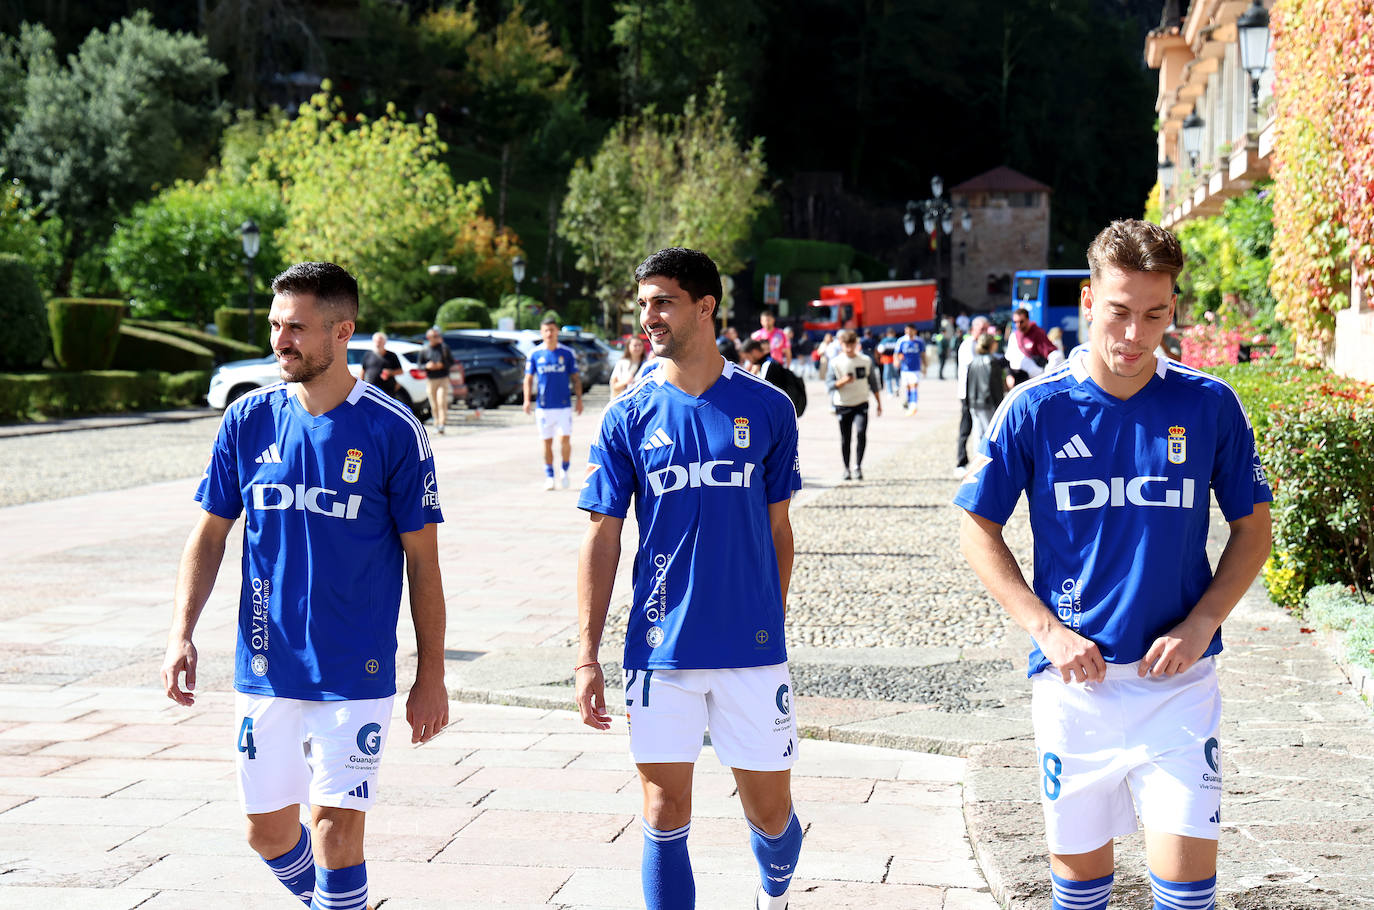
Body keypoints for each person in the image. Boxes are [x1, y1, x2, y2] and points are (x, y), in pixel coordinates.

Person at [954, 219, 1272, 910]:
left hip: (1179, 689)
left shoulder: (1209, 403)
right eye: (1120, 312)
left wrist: (1203, 623)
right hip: (1076, 694)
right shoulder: (1034, 407)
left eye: (1155, 315)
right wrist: (1046, 631)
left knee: (1189, 898)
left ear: (1172, 310)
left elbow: (1253, 529)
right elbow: (978, 529)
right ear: (1089, 303)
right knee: (1079, 897)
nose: (1134, 335)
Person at [160, 261, 449, 910]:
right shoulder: (248, 419)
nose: (278, 341)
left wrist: (432, 674)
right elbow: (209, 536)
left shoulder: (391, 428)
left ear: (342, 331)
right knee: (266, 833)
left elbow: (424, 564)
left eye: (295, 328)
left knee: (335, 834)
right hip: (265, 663)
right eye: (274, 325)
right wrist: (180, 634)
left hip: (356, 666)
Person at [576, 247, 804, 910]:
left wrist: (771, 612)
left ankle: (775, 891)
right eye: (642, 302)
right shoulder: (627, 415)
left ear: (705, 307)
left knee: (771, 818)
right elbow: (602, 535)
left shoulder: (766, 407)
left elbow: (780, 529)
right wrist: (586, 653)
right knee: (663, 806)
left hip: (750, 650)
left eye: (663, 301)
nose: (648, 315)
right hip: (659, 648)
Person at [523, 315, 584, 490]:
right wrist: (527, 400)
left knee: (565, 439)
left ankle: (565, 471)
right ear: (541, 333)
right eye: (546, 330)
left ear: (557, 331)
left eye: (552, 330)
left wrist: (579, 399)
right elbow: (528, 379)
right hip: (543, 406)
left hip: (564, 405)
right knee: (546, 442)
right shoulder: (535, 354)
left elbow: (576, 378)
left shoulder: (567, 353)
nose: (549, 333)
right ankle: (549, 476)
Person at [825, 329, 882, 481]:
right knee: (846, 438)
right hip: (843, 404)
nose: (849, 348)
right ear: (841, 345)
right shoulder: (835, 362)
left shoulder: (865, 360)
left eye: (852, 344)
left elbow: (873, 383)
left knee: (861, 432)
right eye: (846, 345)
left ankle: (858, 466)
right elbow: (828, 384)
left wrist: (879, 403)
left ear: (856, 344)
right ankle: (846, 468)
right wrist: (841, 382)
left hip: (861, 402)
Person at [953, 316, 990, 477]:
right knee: (966, 427)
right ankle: (960, 462)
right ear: (974, 329)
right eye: (982, 329)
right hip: (968, 392)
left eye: (986, 329)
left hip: (978, 392)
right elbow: (974, 365)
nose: (984, 332)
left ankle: (979, 458)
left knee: (980, 426)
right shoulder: (968, 345)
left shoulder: (980, 345)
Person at [964, 332, 1008, 443]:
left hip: (974, 403)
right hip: (988, 403)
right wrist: (1000, 405)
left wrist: (968, 402)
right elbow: (996, 387)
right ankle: (989, 459)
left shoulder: (973, 362)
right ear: (992, 344)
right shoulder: (992, 362)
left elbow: (968, 384)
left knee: (978, 435)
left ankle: (978, 458)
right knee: (991, 435)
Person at [1007, 307, 1058, 380]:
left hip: (1034, 378)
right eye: (1015, 322)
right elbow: (1009, 358)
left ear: (1028, 320)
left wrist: (1047, 375)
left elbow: (1053, 354)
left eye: (1021, 321)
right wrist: (1009, 375)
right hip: (1018, 378)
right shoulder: (1014, 336)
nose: (1018, 325)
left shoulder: (1038, 333)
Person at [421, 327, 455, 434]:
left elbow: (451, 362)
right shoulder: (425, 349)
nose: (437, 338)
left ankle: (442, 424)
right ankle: (436, 423)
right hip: (431, 380)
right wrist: (427, 366)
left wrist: (442, 365)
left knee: (441, 401)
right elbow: (420, 365)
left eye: (437, 336)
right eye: (434, 336)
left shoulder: (444, 348)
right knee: (433, 403)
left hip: (442, 378)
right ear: (428, 337)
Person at [893, 323, 926, 415]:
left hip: (915, 368)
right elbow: (896, 353)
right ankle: (908, 402)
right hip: (904, 368)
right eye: (907, 330)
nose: (909, 331)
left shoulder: (919, 341)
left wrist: (925, 366)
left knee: (913, 386)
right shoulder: (901, 341)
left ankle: (913, 405)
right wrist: (896, 360)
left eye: (911, 330)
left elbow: (923, 354)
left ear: (915, 331)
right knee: (907, 387)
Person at [361, 331, 402, 396]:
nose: (378, 343)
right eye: (376, 341)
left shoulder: (391, 355)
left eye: (380, 341)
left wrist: (390, 372)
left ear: (385, 342)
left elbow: (400, 371)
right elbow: (363, 370)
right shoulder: (368, 354)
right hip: (371, 390)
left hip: (387, 391)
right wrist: (361, 385)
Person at [876, 328, 900, 396]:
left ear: (887, 334)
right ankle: (897, 386)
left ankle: (890, 392)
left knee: (888, 376)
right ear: (894, 333)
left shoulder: (884, 340)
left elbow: (879, 350)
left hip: (887, 361)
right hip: (895, 360)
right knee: (896, 375)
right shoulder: (896, 340)